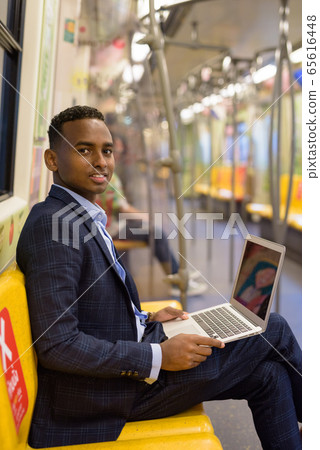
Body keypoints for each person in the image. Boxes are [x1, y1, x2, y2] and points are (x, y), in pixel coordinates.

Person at [17, 106, 302, 449]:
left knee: (268, 376)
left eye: (106, 150)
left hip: (129, 361)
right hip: (106, 396)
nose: (100, 161)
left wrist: (146, 318)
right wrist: (159, 356)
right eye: (83, 150)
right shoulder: (54, 226)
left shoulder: (76, 215)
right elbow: (57, 345)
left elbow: (84, 310)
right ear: (52, 159)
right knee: (274, 330)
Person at [96, 171, 208, 296]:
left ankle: (177, 272)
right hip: (110, 229)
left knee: (154, 231)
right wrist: (147, 218)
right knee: (156, 233)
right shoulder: (109, 177)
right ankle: (177, 280)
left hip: (107, 225)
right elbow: (124, 208)